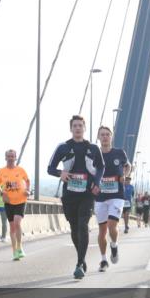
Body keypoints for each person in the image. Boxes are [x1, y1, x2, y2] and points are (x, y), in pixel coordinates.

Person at [48, 115, 105, 279]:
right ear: (71, 128)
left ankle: (79, 263)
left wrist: (96, 181)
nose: (78, 128)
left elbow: (101, 166)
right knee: (74, 229)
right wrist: (60, 173)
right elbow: (50, 168)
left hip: (87, 194)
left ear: (85, 128)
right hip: (70, 194)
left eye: (80, 125)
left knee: (82, 225)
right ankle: (82, 257)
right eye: (75, 126)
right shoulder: (63, 147)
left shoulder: (93, 148)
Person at [94, 126, 130, 272]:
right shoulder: (94, 154)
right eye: (102, 135)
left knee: (111, 225)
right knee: (102, 231)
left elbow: (128, 166)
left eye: (107, 134)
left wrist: (125, 175)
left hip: (117, 195)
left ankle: (114, 245)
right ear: (98, 137)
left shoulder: (119, 153)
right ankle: (103, 260)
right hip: (100, 197)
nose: (105, 137)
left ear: (111, 137)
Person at [0, 149, 30, 261]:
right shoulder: (1, 172)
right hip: (8, 202)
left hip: (21, 200)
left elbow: (27, 181)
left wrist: (28, 190)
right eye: (8, 156)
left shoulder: (21, 170)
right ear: (5, 158)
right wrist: (1, 194)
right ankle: (14, 251)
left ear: (15, 158)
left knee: (17, 222)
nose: (10, 158)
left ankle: (20, 247)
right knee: (12, 226)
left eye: (12, 156)